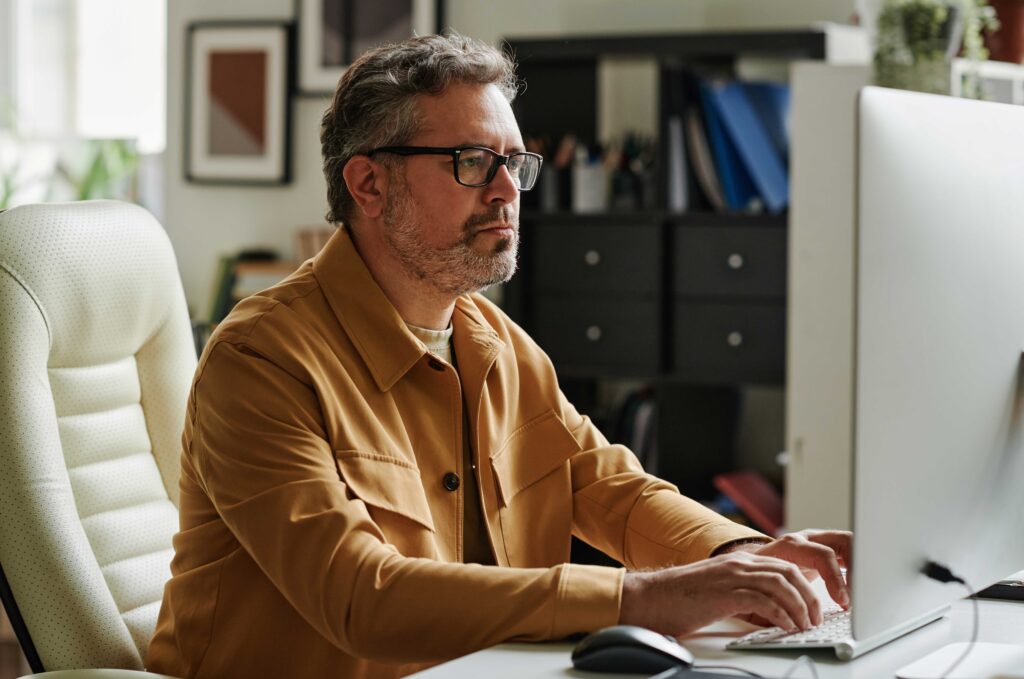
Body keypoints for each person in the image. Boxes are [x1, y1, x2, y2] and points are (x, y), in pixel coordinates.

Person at [147, 33, 851, 679]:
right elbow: (360, 596)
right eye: (474, 161)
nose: (508, 190)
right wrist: (639, 599)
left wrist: (738, 556)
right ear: (368, 184)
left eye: (515, 163)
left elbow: (603, 484)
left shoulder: (492, 339)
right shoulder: (261, 359)